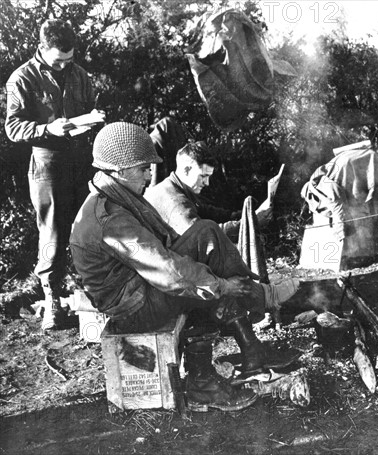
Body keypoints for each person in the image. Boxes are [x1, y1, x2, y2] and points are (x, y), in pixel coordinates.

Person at [69, 122, 300, 411]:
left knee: (207, 234)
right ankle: (207, 377)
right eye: (142, 168)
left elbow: (167, 251)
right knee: (201, 280)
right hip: (134, 308)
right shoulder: (111, 219)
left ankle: (253, 342)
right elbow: (167, 271)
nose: (149, 174)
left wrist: (212, 276)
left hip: (139, 290)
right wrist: (221, 284)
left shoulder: (116, 196)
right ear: (119, 170)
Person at [5, 19, 105, 330]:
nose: (64, 66)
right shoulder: (22, 78)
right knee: (52, 232)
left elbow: (90, 107)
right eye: (57, 60)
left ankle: (93, 294)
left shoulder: (79, 75)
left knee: (89, 225)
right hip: (47, 162)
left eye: (69, 59)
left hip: (80, 160)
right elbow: (12, 127)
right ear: (42, 48)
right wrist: (48, 128)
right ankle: (51, 300)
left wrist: (94, 118)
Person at [144, 140, 272, 242]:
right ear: (187, 170)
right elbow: (203, 237)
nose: (207, 183)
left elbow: (204, 210)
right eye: (203, 176)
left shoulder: (177, 187)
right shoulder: (175, 200)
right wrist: (250, 223)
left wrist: (237, 215)